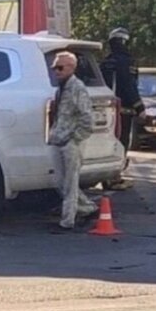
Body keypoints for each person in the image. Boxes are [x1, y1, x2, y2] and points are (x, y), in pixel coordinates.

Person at [48, 51, 98, 230]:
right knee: (61, 182)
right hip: (58, 139)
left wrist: (74, 139)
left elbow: (87, 118)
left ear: (71, 67)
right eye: (54, 68)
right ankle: (88, 208)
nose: (56, 71)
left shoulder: (77, 87)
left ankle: (67, 220)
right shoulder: (61, 88)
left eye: (60, 68)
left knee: (69, 183)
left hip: (70, 142)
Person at [100, 27, 144, 191]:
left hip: (107, 109)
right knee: (122, 141)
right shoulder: (127, 62)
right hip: (124, 109)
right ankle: (115, 177)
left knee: (109, 142)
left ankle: (108, 176)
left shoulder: (106, 62)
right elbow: (129, 85)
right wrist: (140, 106)